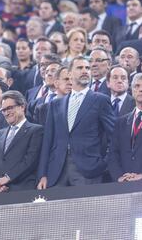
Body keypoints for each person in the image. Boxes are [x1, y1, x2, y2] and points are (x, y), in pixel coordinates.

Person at [37, 56, 115, 189]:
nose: (85, 71)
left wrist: (103, 164)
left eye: (87, 68)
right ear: (70, 73)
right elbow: (47, 141)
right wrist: (42, 174)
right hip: (56, 171)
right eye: (80, 68)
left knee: (86, 210)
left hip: (88, 170)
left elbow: (114, 136)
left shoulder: (101, 100)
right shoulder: (55, 104)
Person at [0, 90, 43, 192]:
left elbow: (30, 160)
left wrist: (7, 178)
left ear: (22, 107)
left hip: (23, 190)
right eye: (4, 110)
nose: (7, 113)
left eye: (10, 108)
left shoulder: (36, 130)